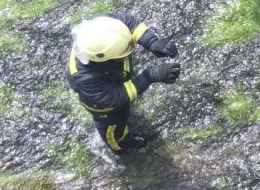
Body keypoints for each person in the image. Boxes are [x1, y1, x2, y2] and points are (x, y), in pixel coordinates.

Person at [66, 12, 181, 152]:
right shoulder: (83, 76)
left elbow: (130, 23)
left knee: (129, 95)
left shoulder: (105, 26)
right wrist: (148, 77)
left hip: (116, 75)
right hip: (106, 109)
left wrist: (152, 42)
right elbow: (112, 98)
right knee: (115, 129)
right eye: (125, 50)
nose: (130, 50)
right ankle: (122, 145)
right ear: (104, 58)